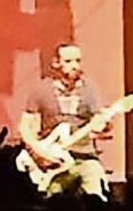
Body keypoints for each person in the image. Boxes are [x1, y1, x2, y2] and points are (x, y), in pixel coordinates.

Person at [19, 43, 109, 199]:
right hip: (53, 161)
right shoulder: (41, 90)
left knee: (97, 196)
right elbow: (26, 127)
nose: (75, 66)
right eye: (68, 61)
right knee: (51, 200)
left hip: (85, 157)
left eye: (78, 61)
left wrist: (103, 126)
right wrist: (40, 153)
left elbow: (99, 122)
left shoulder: (89, 89)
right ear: (56, 63)